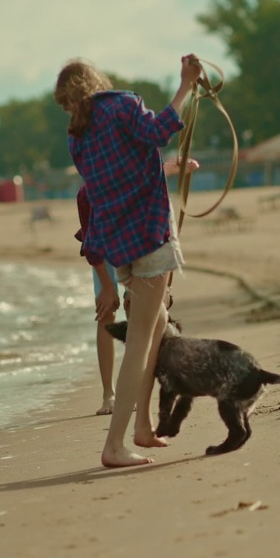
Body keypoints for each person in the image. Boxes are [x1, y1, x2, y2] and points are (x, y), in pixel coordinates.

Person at [55, 54, 203, 468]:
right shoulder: (121, 105)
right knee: (139, 342)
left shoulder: (77, 136)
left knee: (155, 329)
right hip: (150, 237)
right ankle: (114, 445)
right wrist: (186, 84)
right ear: (96, 81)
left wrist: (164, 167)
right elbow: (159, 131)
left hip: (118, 246)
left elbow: (121, 174)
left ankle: (142, 427)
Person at [76, 156, 198, 417]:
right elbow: (92, 249)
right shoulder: (87, 194)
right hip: (102, 248)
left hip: (134, 240)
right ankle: (109, 393)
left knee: (139, 313)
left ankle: (138, 391)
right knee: (106, 312)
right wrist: (108, 288)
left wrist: (180, 165)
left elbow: (159, 169)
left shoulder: (138, 176)